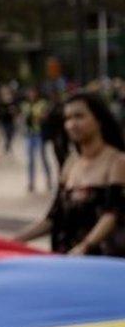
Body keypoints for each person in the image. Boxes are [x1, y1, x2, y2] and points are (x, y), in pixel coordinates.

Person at [14, 93, 125, 257]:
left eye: (79, 116)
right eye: (67, 118)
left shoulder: (117, 161)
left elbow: (112, 214)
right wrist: (16, 240)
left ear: (99, 119)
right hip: (65, 261)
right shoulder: (71, 163)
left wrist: (85, 247)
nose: (72, 124)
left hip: (101, 263)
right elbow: (53, 217)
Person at [23, 88, 54, 192]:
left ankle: (49, 181)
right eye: (29, 92)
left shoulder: (42, 103)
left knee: (43, 158)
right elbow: (24, 117)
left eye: (33, 92)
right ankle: (31, 182)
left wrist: (38, 117)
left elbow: (45, 116)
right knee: (30, 160)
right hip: (29, 134)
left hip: (39, 134)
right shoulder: (26, 105)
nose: (31, 94)